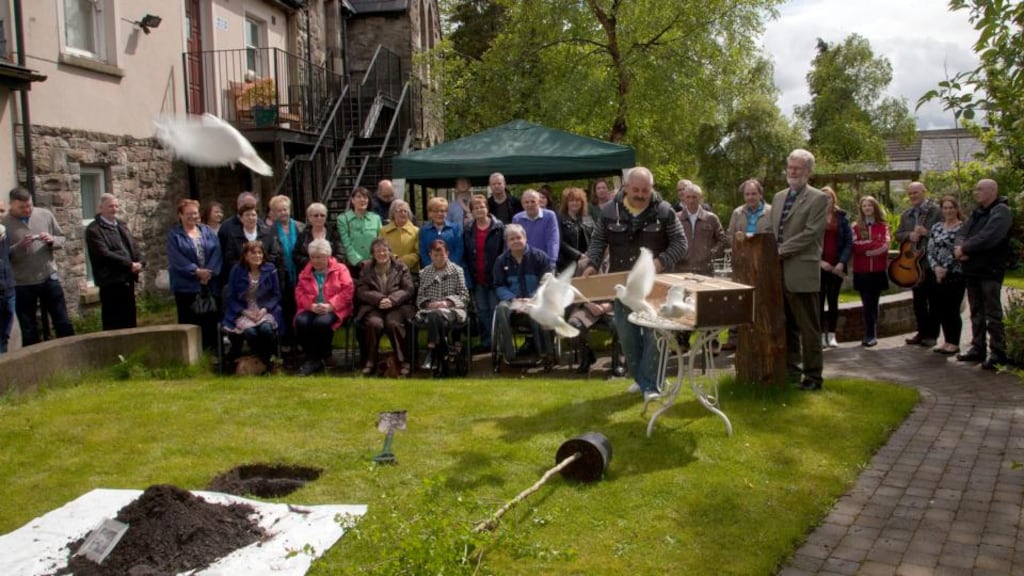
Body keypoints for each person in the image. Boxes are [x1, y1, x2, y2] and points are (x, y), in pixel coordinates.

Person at [583, 167, 688, 401]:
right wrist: (592, 263)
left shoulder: (664, 211)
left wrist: (659, 263)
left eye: (645, 190)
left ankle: (651, 386)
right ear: (626, 187)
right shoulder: (609, 211)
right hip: (623, 286)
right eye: (636, 190)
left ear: (652, 188)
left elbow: (681, 243)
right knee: (627, 335)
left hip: (656, 286)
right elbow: (598, 241)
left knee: (655, 335)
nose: (641, 195)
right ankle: (643, 379)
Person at [770, 149, 829, 390]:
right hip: (778, 272)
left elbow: (811, 233)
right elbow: (773, 231)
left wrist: (781, 250)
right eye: (790, 167)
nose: (793, 172)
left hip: (802, 271)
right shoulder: (778, 197)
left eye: (798, 168)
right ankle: (791, 371)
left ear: (808, 171)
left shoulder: (818, 198)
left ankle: (813, 377)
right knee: (786, 326)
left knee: (809, 328)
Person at [3, 187, 74, 346]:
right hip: (22, 283)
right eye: (22, 207)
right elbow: (4, 255)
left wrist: (52, 240)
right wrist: (19, 247)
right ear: (12, 205)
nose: (27, 210)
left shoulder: (45, 215)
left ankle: (71, 350)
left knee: (62, 320)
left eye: (29, 205)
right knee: (29, 327)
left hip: (48, 277)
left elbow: (62, 238)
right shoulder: (4, 224)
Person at [955, 179, 1012, 370]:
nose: (976, 192)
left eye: (980, 189)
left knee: (992, 313)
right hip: (972, 270)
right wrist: (958, 248)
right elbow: (962, 232)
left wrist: (964, 248)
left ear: (992, 191)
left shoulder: (1001, 211)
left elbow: (989, 237)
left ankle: (998, 353)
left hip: (990, 270)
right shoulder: (977, 212)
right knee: (976, 311)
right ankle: (977, 348)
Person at [492, 224, 556, 370]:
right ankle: (509, 352)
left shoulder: (540, 257)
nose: (516, 241)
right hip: (512, 302)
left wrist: (532, 299)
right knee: (501, 309)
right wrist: (513, 300)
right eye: (511, 239)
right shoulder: (501, 261)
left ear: (525, 238)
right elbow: (498, 285)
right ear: (507, 242)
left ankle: (544, 353)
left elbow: (547, 283)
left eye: (518, 237)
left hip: (535, 301)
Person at [723, 178, 773, 350]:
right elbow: (729, 235)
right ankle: (735, 339)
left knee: (763, 301)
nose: (750, 197)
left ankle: (761, 338)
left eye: (753, 194)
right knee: (738, 300)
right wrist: (739, 243)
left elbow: (775, 236)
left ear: (760, 194)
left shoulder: (771, 212)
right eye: (747, 194)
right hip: (742, 264)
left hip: (763, 264)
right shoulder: (737, 213)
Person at [166, 199, 222, 349]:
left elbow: (216, 252)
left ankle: (212, 352)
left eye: (195, 213)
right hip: (186, 287)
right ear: (180, 215)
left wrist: (209, 272)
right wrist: (196, 271)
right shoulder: (174, 235)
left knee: (210, 321)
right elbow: (176, 258)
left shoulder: (207, 231)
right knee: (190, 322)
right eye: (189, 214)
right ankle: (192, 353)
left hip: (208, 285)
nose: (193, 216)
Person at [355, 238, 416, 376]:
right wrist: (379, 299)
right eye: (378, 251)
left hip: (397, 307)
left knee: (393, 324)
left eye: (384, 250)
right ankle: (370, 361)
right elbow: (362, 290)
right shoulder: (366, 268)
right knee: (374, 324)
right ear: (372, 254)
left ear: (390, 252)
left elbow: (408, 289)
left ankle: (403, 361)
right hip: (374, 306)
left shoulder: (401, 267)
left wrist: (392, 300)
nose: (382, 253)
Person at [294, 238, 354, 376]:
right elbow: (299, 292)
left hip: (335, 308)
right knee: (301, 321)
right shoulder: (306, 271)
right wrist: (311, 306)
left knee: (321, 322)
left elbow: (348, 291)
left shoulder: (340, 269)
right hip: (312, 307)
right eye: (313, 257)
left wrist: (331, 306)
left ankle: (323, 356)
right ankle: (312, 358)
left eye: (319, 257)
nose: (315, 261)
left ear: (328, 256)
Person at [85, 193, 143, 331]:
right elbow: (104, 254)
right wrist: (129, 264)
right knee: (113, 322)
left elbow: (132, 246)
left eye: (116, 206)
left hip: (127, 279)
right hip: (110, 282)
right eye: (110, 206)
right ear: (101, 208)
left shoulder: (121, 225)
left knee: (130, 320)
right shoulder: (94, 230)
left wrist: (140, 262)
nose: (114, 209)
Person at [221, 241, 282, 369]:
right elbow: (231, 297)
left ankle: (268, 359)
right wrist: (245, 312)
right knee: (251, 332)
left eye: (260, 253)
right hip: (243, 310)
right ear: (245, 256)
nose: (257, 255)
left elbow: (276, 295)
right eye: (253, 253)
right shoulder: (237, 270)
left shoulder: (270, 269)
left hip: (265, 310)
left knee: (266, 329)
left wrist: (264, 309)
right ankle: (265, 361)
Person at [896, 181, 943, 347]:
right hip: (914, 266)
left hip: (932, 262)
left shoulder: (937, 212)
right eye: (910, 193)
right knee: (918, 302)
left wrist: (927, 233)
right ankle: (921, 332)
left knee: (935, 301)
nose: (913, 196)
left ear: (924, 192)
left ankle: (932, 335)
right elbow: (898, 234)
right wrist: (909, 235)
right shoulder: (906, 214)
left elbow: (946, 233)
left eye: (915, 192)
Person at [415, 239, 469, 372]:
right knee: (434, 316)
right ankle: (443, 353)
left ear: (447, 254)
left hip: (452, 310)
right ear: (430, 255)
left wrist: (447, 302)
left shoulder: (457, 270)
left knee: (435, 316)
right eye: (435, 255)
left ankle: (432, 350)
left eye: (442, 255)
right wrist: (429, 304)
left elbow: (465, 296)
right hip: (429, 311)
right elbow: (419, 297)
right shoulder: (424, 272)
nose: (439, 258)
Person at [462, 194, 505, 352]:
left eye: (482, 206)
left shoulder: (499, 227)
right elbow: (466, 253)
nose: (479, 210)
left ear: (487, 208)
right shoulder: (467, 229)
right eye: (475, 208)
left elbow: (503, 253)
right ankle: (487, 342)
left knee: (495, 310)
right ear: (472, 211)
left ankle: (499, 342)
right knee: (482, 311)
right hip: (477, 277)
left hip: (494, 277)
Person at [926, 195, 965, 356]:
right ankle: (946, 341)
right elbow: (930, 249)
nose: (948, 211)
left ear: (957, 209)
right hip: (936, 273)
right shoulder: (936, 227)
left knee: (952, 309)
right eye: (945, 208)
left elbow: (959, 251)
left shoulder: (963, 228)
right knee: (940, 309)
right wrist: (935, 267)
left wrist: (945, 269)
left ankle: (954, 343)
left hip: (954, 274)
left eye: (951, 207)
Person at [851, 196, 890, 348]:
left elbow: (884, 245)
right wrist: (872, 244)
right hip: (862, 270)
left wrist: (868, 247)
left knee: (874, 302)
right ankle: (869, 334)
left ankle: (873, 332)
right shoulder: (855, 227)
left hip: (878, 270)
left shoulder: (883, 226)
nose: (867, 208)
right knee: (866, 303)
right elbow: (855, 246)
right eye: (864, 206)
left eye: (870, 205)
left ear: (875, 208)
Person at [818, 186, 852, 349]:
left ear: (834, 199)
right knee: (818, 302)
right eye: (823, 197)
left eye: (829, 197)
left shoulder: (842, 218)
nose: (826, 200)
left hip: (836, 267)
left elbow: (848, 242)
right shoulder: (813, 216)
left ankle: (831, 335)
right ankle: (820, 336)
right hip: (819, 267)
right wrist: (819, 262)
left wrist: (841, 262)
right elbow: (809, 242)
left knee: (833, 301)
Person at [268, 194, 303, 347]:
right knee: (286, 308)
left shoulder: (301, 227)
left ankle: (301, 340)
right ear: (274, 213)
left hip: (300, 274)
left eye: (285, 209)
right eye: (279, 210)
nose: (283, 213)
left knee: (300, 307)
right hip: (282, 275)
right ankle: (288, 341)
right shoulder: (270, 231)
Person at [220, 201, 284, 280]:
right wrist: (248, 265)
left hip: (265, 276)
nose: (251, 218)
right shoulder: (233, 235)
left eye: (253, 215)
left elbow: (275, 254)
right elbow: (230, 259)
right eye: (247, 215)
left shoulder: (267, 233)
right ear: (241, 218)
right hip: (242, 277)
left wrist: (259, 264)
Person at [675, 182, 726, 275]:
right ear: (684, 198)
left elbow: (722, 240)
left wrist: (711, 254)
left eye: (694, 197)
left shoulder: (711, 218)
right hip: (681, 269)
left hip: (705, 270)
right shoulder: (676, 218)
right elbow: (669, 240)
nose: (691, 201)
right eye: (688, 197)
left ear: (700, 198)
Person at [337, 187, 382, 278]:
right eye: (359, 197)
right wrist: (358, 261)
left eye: (365, 197)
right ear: (352, 200)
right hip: (353, 266)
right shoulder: (343, 219)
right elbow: (346, 244)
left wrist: (374, 259)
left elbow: (380, 241)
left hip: (374, 264)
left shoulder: (376, 218)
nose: (362, 200)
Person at [512, 189, 559, 268]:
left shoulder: (549, 216)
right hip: (524, 262)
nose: (530, 205)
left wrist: (552, 261)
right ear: (522, 204)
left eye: (533, 201)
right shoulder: (517, 219)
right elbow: (514, 242)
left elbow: (553, 240)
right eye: (526, 202)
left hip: (545, 261)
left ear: (539, 202)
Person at [294, 202, 346, 272]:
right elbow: (296, 255)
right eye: (316, 215)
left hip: (332, 271)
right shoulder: (303, 235)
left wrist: (326, 264)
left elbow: (340, 253)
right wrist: (313, 263)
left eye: (322, 215)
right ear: (309, 217)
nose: (319, 218)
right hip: (309, 272)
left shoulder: (334, 233)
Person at [419, 196, 463, 269]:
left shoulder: (455, 228)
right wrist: (434, 268)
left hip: (452, 270)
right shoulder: (424, 230)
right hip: (431, 271)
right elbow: (423, 252)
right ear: (430, 213)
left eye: (442, 211)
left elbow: (459, 250)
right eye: (435, 211)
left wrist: (449, 267)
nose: (439, 213)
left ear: (446, 213)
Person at [557, 187, 594, 273]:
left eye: (577, 200)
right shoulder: (560, 219)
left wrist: (588, 253)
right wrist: (578, 255)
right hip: (567, 264)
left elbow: (593, 238)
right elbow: (560, 242)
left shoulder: (586, 219)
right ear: (566, 203)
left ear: (582, 203)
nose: (575, 203)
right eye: (571, 200)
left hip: (585, 261)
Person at [379, 199, 420, 274]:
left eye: (405, 211)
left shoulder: (416, 231)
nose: (403, 213)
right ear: (393, 213)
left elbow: (418, 252)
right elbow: (380, 250)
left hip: (410, 271)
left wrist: (404, 261)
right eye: (399, 211)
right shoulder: (383, 231)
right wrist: (394, 259)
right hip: (389, 271)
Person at [0, 199, 14, 353]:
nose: (0, 214)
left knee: (5, 334)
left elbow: (8, 257)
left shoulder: (5, 233)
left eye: (2, 211)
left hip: (8, 289)